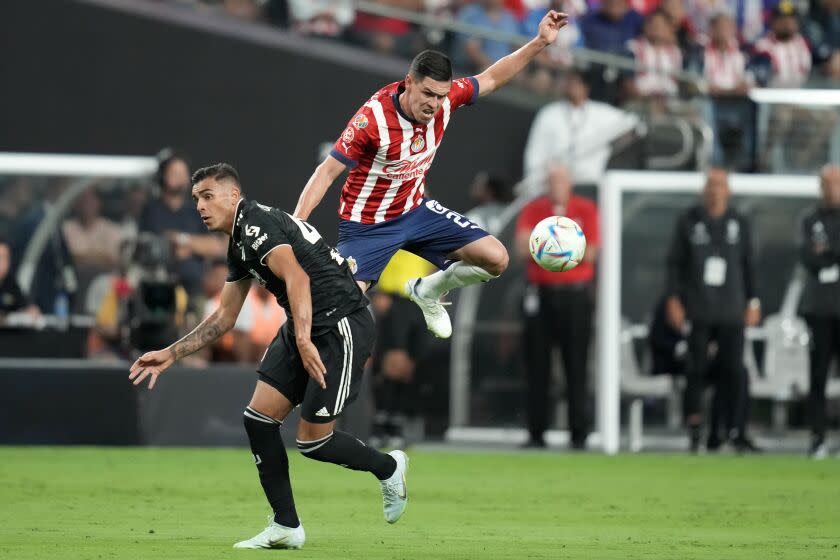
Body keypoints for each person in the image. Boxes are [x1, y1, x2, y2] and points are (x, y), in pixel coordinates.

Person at [128, 163, 408, 550]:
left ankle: (389, 468)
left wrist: (306, 339)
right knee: (258, 420)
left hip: (341, 325)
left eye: (208, 196)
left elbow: (298, 278)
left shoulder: (256, 227)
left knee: (313, 442)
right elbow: (226, 316)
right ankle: (286, 526)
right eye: (196, 199)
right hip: (304, 324)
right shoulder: (239, 239)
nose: (200, 206)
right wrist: (171, 353)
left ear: (233, 195)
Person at [293, 10, 569, 340]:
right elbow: (326, 173)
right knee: (341, 310)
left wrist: (539, 42)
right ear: (409, 82)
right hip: (367, 226)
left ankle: (428, 290)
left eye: (440, 96)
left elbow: (493, 77)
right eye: (427, 94)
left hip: (416, 211)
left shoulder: (447, 99)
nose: (434, 104)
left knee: (497, 259)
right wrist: (297, 226)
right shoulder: (372, 119)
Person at [664, 168, 760, 453]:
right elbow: (675, 265)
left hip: (731, 309)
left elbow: (749, 266)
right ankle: (695, 428)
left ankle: (730, 429)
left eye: (720, 185)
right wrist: (673, 299)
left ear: (728, 190)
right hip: (698, 308)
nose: (715, 190)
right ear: (703, 189)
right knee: (695, 369)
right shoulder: (689, 222)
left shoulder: (739, 223)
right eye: (711, 185)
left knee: (732, 370)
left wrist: (753, 302)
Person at [515, 164, 599, 449]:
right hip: (541, 294)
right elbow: (519, 245)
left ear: (570, 182)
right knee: (536, 366)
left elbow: (592, 252)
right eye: (552, 181)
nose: (556, 186)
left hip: (575, 296)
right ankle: (536, 432)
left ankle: (580, 433)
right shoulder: (535, 209)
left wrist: (548, 246)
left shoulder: (585, 209)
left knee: (576, 364)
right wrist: (560, 247)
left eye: (561, 180)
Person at [523, 68, 638, 187]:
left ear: (586, 87)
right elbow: (535, 151)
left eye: (577, 83)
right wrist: (533, 180)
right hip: (554, 184)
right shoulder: (550, 113)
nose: (573, 87)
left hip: (589, 183)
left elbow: (633, 123)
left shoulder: (602, 113)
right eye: (570, 82)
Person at [139, 152, 226, 297]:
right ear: (163, 177)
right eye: (174, 173)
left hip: (194, 288)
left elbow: (215, 246)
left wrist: (183, 240)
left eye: (183, 173)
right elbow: (155, 244)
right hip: (158, 288)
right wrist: (193, 247)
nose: (180, 177)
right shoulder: (151, 210)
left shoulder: (198, 210)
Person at [798, 164, 840, 459]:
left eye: (835, 182)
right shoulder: (810, 219)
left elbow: (824, 253)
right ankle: (818, 438)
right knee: (818, 376)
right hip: (819, 310)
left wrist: (827, 252)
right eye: (825, 182)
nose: (830, 188)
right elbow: (808, 258)